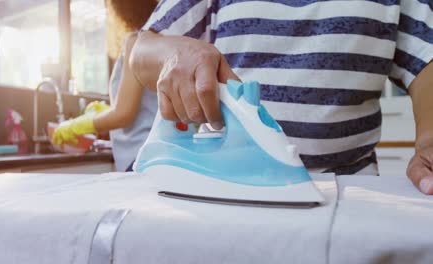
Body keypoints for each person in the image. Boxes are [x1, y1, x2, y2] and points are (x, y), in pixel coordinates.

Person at [129, 0, 433, 194]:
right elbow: (142, 50)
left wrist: (429, 139)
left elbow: (426, 57)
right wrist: (177, 53)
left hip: (352, 192)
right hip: (228, 198)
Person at [53, 0, 158, 171]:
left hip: (140, 156)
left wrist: (75, 126)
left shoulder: (135, 41)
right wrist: (108, 110)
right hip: (155, 153)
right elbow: (146, 106)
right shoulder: (157, 41)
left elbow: (124, 114)